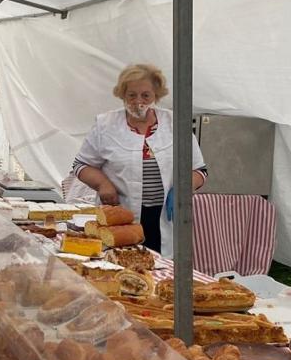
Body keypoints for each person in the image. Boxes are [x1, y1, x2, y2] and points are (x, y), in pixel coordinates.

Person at [72, 63, 207, 255]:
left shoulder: (176, 123)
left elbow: (199, 170)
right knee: (119, 266)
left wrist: (183, 189)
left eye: (146, 95)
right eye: (131, 95)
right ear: (122, 95)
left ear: (156, 96)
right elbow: (82, 165)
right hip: (120, 217)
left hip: (163, 219)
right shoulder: (105, 124)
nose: (138, 102)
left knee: (160, 273)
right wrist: (103, 184)